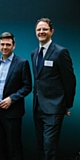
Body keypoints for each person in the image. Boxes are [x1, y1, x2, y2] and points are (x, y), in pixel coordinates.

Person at [31, 18, 76, 160]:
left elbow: (69, 81)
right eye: (39, 29)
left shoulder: (61, 52)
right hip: (37, 106)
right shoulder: (34, 54)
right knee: (42, 145)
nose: (41, 32)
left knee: (50, 145)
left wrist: (67, 104)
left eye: (44, 29)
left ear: (52, 31)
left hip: (54, 107)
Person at [0, 32, 32, 160]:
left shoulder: (22, 63)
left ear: (14, 46)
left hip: (13, 113)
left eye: (8, 44)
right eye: (2, 44)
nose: (5, 47)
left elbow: (27, 87)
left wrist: (11, 99)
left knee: (14, 148)